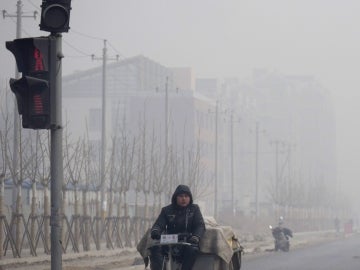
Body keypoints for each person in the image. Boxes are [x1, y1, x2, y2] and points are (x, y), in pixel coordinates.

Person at [149, 184, 206, 270]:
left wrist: (196, 237)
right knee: (155, 249)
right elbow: (159, 224)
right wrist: (155, 231)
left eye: (186, 196)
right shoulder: (167, 210)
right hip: (170, 241)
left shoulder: (194, 209)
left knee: (192, 250)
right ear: (175, 197)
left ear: (190, 198)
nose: (184, 199)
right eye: (181, 196)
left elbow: (200, 225)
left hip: (187, 241)